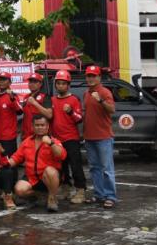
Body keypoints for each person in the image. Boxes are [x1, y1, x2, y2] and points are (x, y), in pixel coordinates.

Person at [7, 114, 67, 212]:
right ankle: (39, 195)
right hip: (32, 178)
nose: (40, 127)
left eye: (42, 125)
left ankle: (52, 198)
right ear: (33, 127)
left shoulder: (54, 141)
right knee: (19, 189)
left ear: (47, 126)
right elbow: (16, 157)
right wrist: (6, 164)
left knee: (49, 171)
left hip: (49, 178)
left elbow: (62, 155)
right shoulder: (27, 142)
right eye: (37, 125)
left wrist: (51, 144)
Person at [82, 65, 117, 209]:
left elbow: (112, 110)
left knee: (106, 169)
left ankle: (111, 196)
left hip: (103, 137)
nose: (90, 78)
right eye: (88, 76)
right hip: (90, 137)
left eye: (93, 76)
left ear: (99, 77)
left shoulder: (105, 92)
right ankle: (99, 195)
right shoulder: (86, 93)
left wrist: (101, 100)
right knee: (94, 168)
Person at [50, 70, 86, 204]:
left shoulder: (73, 99)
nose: (60, 86)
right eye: (58, 83)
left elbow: (79, 119)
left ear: (68, 85)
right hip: (57, 139)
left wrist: (70, 111)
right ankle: (66, 188)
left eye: (63, 83)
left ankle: (80, 190)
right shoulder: (52, 100)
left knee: (75, 165)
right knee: (61, 167)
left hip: (71, 138)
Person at [0, 71, 23, 156]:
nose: (1, 81)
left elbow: (20, 111)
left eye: (4, 80)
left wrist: (12, 98)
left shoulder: (12, 96)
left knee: (10, 163)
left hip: (9, 137)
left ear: (10, 82)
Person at [21, 73, 53, 140]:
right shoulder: (26, 97)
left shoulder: (45, 97)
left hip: (40, 136)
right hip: (26, 136)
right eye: (30, 82)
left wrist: (35, 103)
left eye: (35, 82)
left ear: (40, 84)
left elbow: (49, 115)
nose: (32, 84)